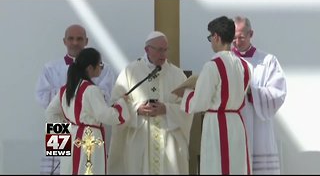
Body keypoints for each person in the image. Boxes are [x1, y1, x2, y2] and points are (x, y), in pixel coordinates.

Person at [107, 31, 194, 174]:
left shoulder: (177, 74)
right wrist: (137, 109)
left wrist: (166, 109)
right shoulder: (130, 72)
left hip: (168, 143)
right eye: (159, 50)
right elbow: (115, 104)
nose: (163, 54)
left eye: (165, 49)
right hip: (140, 139)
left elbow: (187, 108)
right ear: (147, 49)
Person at [35, 24, 116, 175]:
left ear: (86, 41)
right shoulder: (51, 68)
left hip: (88, 128)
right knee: (58, 169)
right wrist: (69, 117)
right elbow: (42, 96)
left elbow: (106, 96)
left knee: (88, 168)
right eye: (71, 39)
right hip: (60, 125)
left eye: (79, 39)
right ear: (64, 41)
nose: (75, 42)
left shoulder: (104, 69)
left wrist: (73, 99)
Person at [179, 16, 252, 174]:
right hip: (237, 123)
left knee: (216, 166)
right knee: (237, 166)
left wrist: (187, 93)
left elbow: (200, 103)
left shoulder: (213, 66)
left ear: (216, 37)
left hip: (217, 124)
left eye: (210, 37)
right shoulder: (246, 66)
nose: (211, 41)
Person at [45, 47, 130, 175]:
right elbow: (105, 116)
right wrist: (121, 103)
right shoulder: (91, 89)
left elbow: (50, 113)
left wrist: (66, 134)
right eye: (100, 64)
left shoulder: (65, 89)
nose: (101, 67)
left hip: (72, 137)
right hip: (89, 139)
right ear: (90, 68)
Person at [232, 16, 287, 174]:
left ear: (251, 34)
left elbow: (278, 93)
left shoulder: (267, 61)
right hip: (234, 124)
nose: (237, 41)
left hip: (259, 127)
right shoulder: (226, 61)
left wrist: (252, 91)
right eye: (234, 38)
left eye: (241, 37)